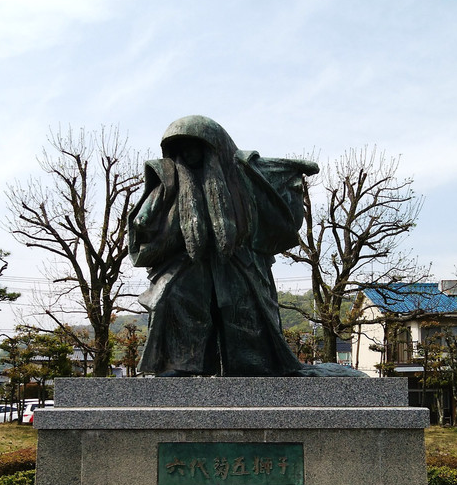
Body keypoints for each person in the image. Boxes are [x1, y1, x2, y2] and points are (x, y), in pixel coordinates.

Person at [129, 115, 358, 377]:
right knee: (174, 299)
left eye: (194, 146)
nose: (188, 153)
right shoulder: (170, 180)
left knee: (244, 314)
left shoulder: (239, 172)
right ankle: (180, 365)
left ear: (212, 148)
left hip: (236, 261)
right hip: (188, 263)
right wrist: (145, 223)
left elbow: (266, 171)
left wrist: (294, 170)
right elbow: (144, 218)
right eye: (182, 149)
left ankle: (252, 366)